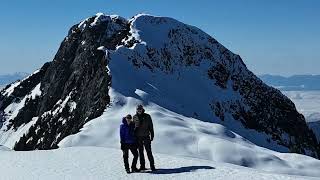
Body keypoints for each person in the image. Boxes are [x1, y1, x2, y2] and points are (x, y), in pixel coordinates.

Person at [133, 104, 156, 171]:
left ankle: (152, 166)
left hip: (146, 136)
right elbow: (133, 127)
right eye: (138, 109)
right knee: (140, 152)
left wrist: (152, 134)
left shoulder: (147, 116)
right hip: (138, 137)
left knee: (149, 151)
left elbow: (151, 126)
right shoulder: (134, 117)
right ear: (136, 110)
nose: (139, 110)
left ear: (142, 109)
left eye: (140, 109)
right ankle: (142, 166)